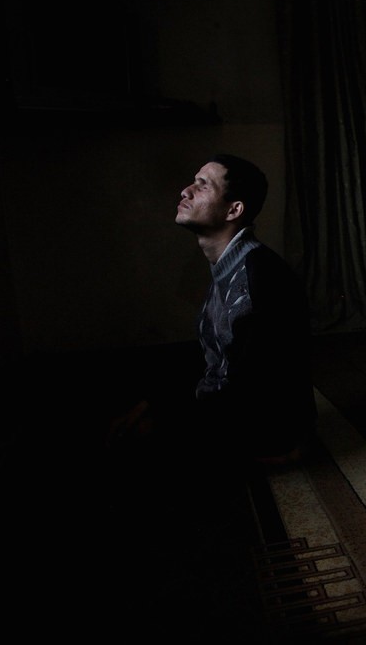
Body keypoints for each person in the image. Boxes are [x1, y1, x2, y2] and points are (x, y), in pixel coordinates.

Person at [109, 153, 317, 468]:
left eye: (203, 185)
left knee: (139, 441)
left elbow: (253, 387)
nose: (186, 191)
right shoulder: (231, 264)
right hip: (237, 404)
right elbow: (215, 355)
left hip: (265, 425)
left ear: (234, 210)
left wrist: (167, 417)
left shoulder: (259, 277)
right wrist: (152, 403)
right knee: (136, 405)